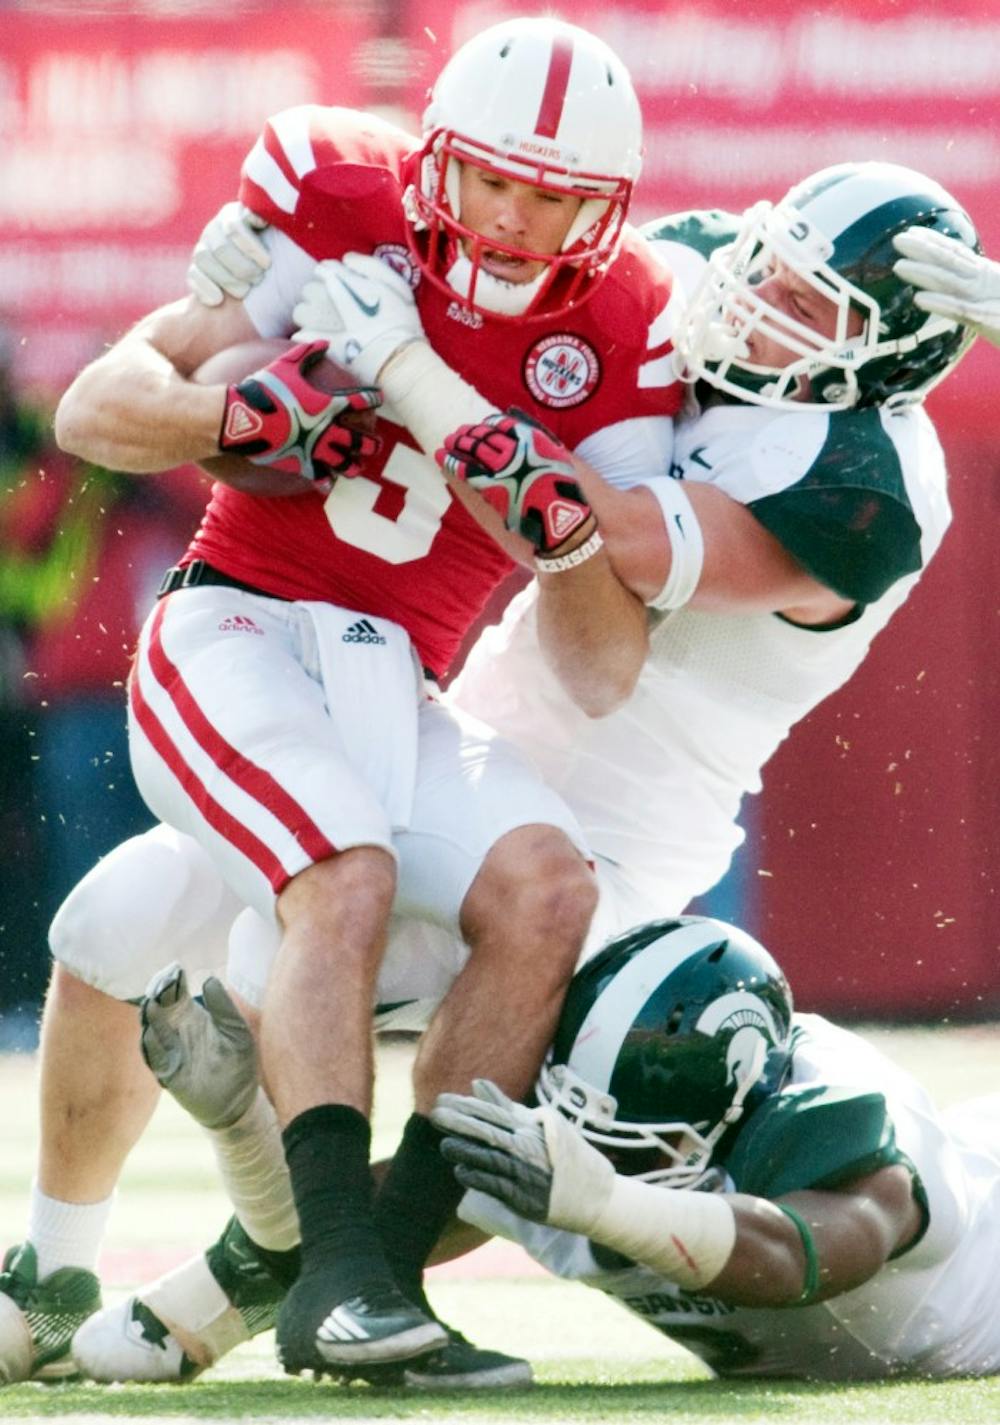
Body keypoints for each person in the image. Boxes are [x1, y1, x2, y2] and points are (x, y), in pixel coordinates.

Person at [3, 158, 985, 1386]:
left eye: (811, 308)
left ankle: (267, 1271)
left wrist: (410, 367)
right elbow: (500, 201)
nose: (758, 303)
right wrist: (277, 223)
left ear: (887, 361)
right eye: (769, 267)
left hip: (620, 844)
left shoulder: (867, 486)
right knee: (107, 928)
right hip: (454, 745)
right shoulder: (712, 270)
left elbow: (588, 527)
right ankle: (51, 1276)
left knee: (509, 1111)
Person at [38, 15, 680, 1383]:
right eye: (492, 178)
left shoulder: (626, 320)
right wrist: (238, 423)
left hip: (403, 682)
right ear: (439, 156)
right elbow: (96, 411)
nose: (514, 219)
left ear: (605, 207)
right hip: (239, 627)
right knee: (339, 873)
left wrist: (551, 518)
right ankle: (292, 1264)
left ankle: (371, 1268)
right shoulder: (338, 196)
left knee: (546, 890)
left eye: (553, 192)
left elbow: (603, 666)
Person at [432, 914, 1000, 1381]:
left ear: (736, 1109)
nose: (593, 1157)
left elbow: (799, 1258)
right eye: (583, 1132)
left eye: (632, 1148)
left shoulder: (837, 1110)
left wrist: (606, 1205)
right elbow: (372, 1224)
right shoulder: (559, 1130)